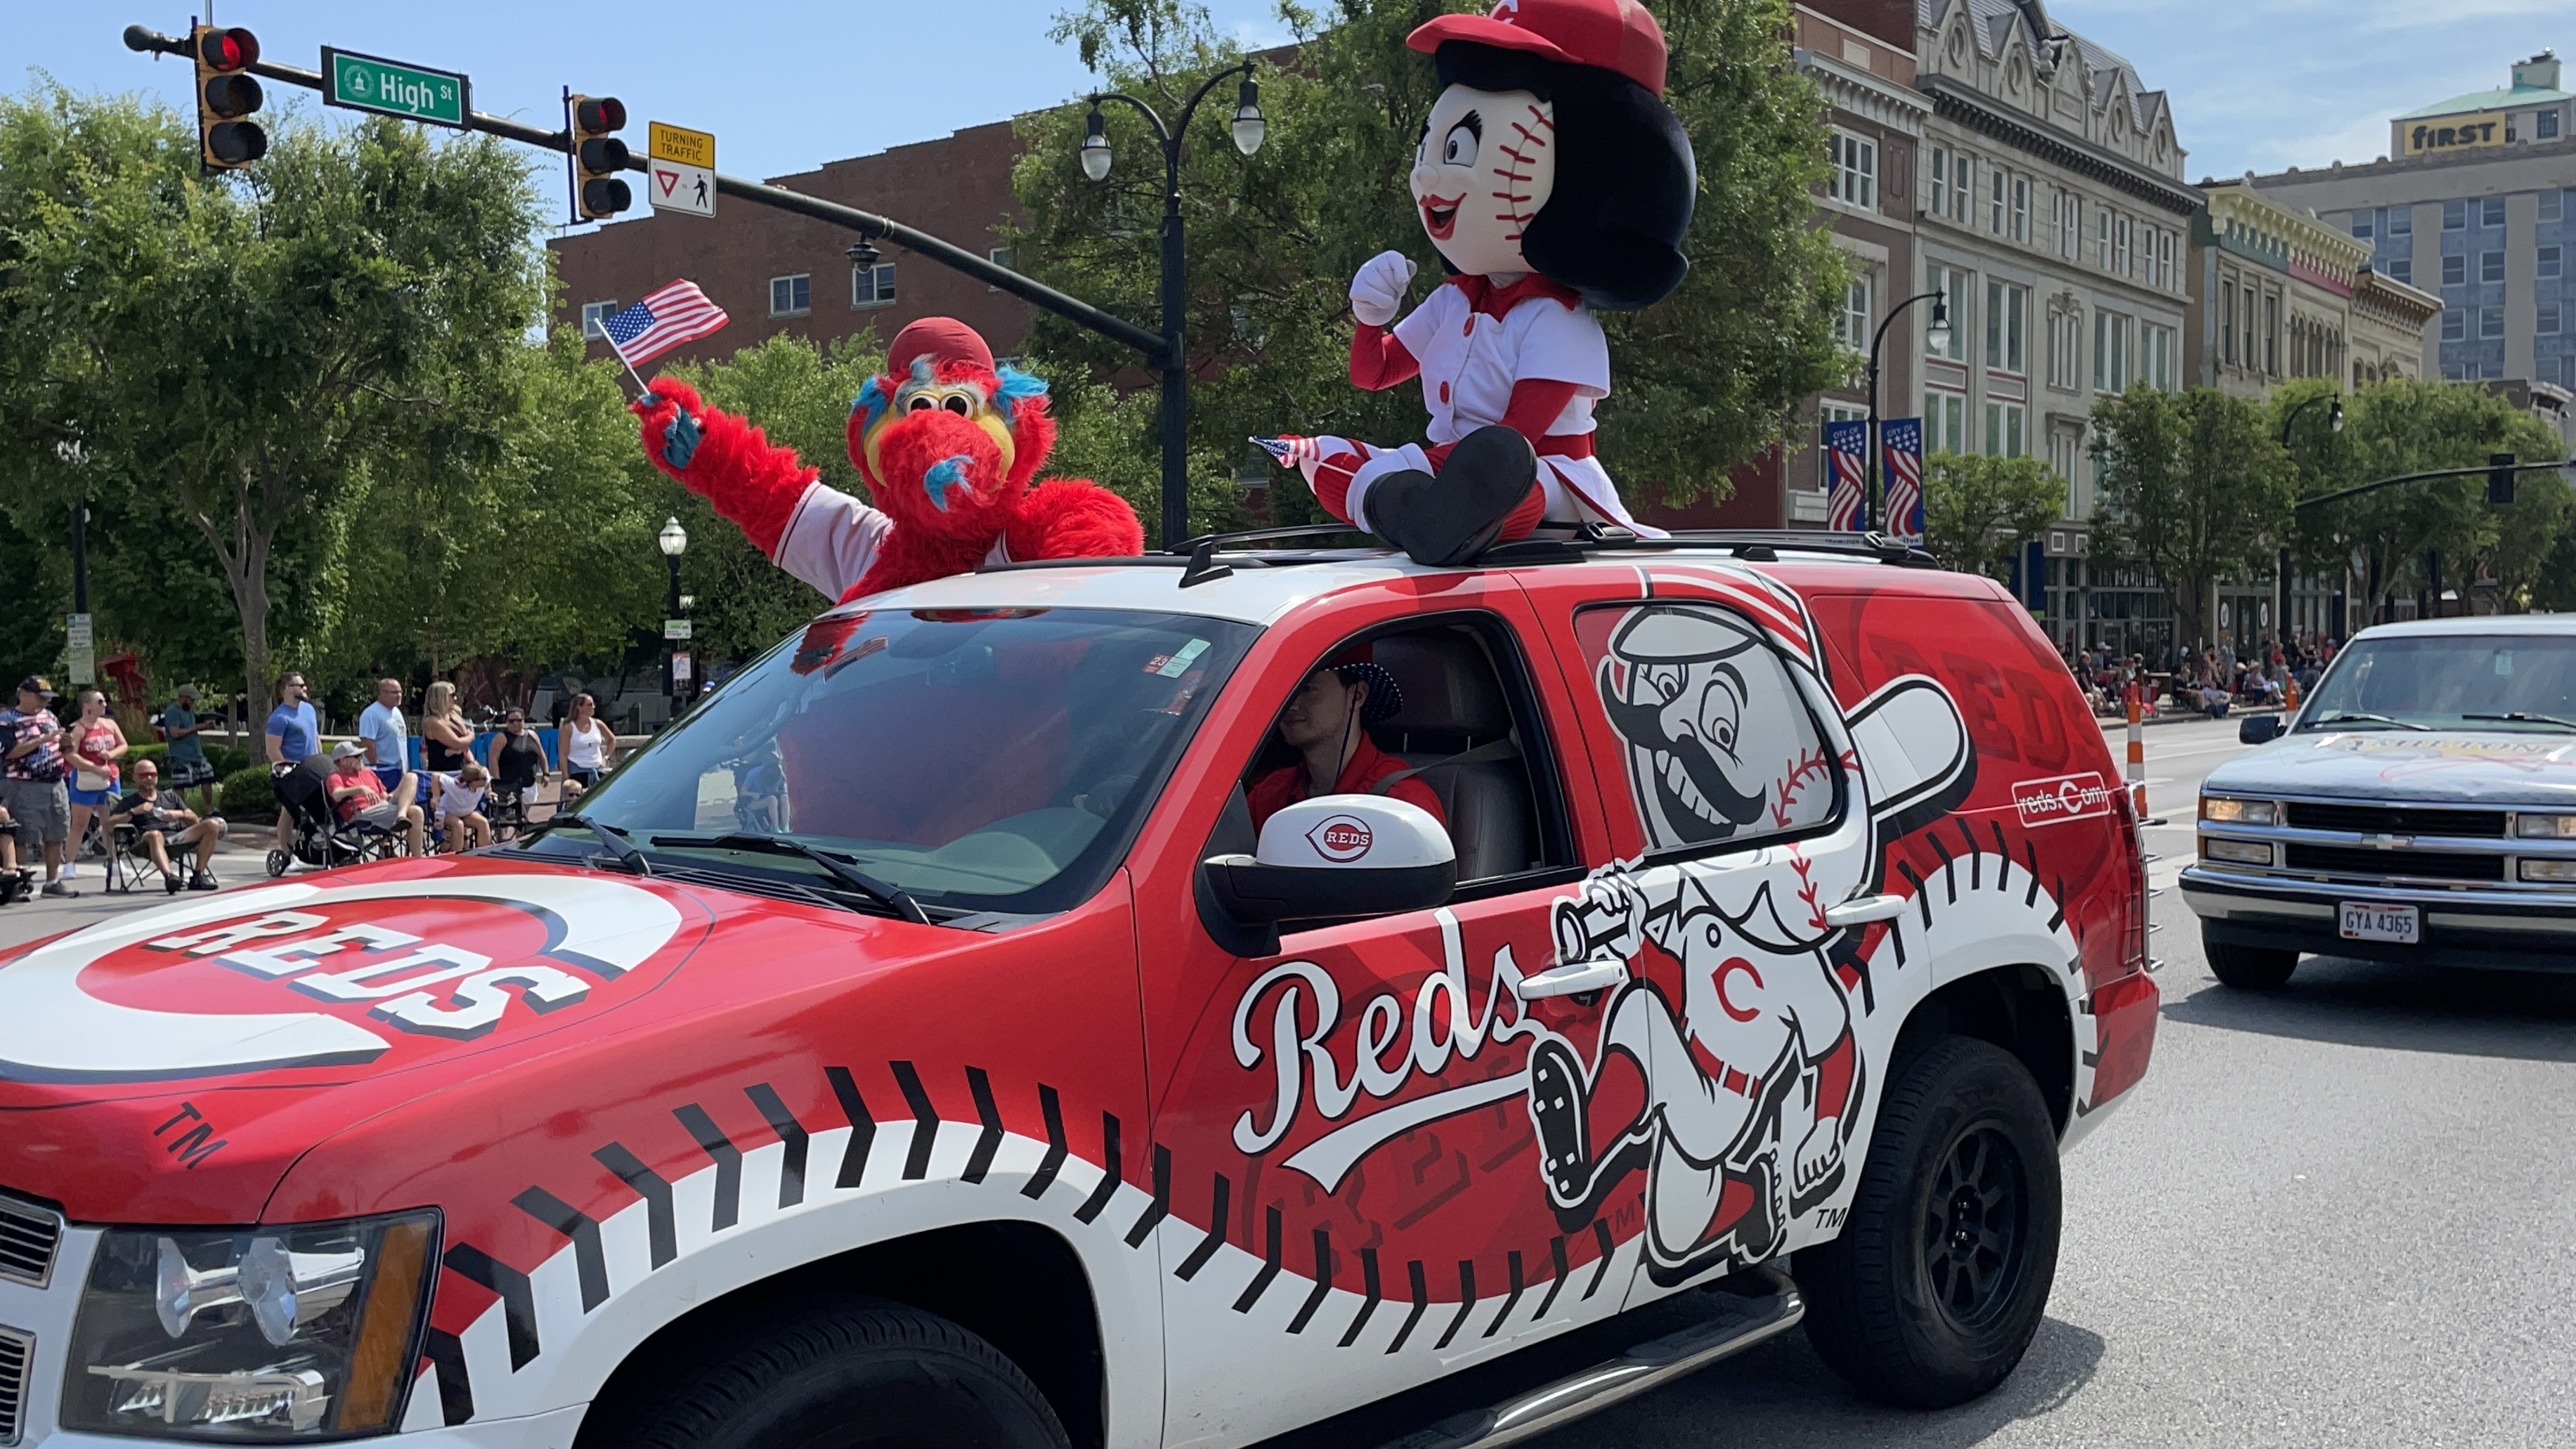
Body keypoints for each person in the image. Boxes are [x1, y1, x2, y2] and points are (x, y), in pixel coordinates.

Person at [1245, 648, 1447, 834]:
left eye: (1307, 688)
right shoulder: (1267, 795)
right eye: (1285, 689)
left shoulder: (1403, 804)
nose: (1290, 705)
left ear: (1357, 695)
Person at [1, 677, 76, 898]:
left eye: (47, 699)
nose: (43, 703)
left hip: (55, 781)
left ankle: (53, 882)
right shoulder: (7, 720)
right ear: (23, 695)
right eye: (39, 698)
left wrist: (65, 742)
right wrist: (42, 739)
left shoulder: (49, 716)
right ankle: (19, 883)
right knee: (23, 834)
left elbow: (60, 744)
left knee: (56, 832)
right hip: (23, 783)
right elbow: (8, 753)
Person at [111, 758, 228, 892]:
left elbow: (195, 820)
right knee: (155, 835)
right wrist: (134, 812)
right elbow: (108, 824)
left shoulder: (170, 798)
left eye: (153, 774)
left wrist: (177, 814)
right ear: (135, 778)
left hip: (176, 838)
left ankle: (198, 877)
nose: (149, 778)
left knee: (212, 825)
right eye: (143, 775)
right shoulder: (130, 801)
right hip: (145, 842)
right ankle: (169, 877)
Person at [63, 688, 129, 880]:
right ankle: (70, 863)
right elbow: (71, 755)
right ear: (87, 706)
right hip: (86, 780)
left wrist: (112, 755)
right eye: (100, 702)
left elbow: (123, 745)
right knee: (80, 823)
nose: (104, 705)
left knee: (110, 821)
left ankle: (114, 859)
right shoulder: (79, 729)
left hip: (110, 778)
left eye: (104, 701)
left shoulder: (110, 724)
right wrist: (94, 768)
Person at [326, 741, 426, 857]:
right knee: (416, 812)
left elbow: (384, 796)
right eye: (357, 756)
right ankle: (415, 854)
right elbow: (337, 795)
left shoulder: (367, 773)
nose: (361, 759)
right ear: (343, 760)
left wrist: (404, 795)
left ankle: (416, 859)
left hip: (382, 807)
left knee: (411, 777)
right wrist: (360, 789)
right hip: (362, 815)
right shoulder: (336, 777)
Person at [266, 671, 319, 852]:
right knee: (288, 811)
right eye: (300, 685)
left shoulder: (309, 709)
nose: (305, 689)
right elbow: (272, 749)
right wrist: (287, 773)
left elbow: (315, 737)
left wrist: (321, 760)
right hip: (294, 771)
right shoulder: (279, 718)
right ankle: (287, 852)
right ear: (287, 689)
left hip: (314, 769)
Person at [485, 708, 551, 830]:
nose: (515, 723)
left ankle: (518, 837)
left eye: (519, 720)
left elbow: (542, 755)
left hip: (529, 783)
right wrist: (498, 782)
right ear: (507, 722)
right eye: (511, 721)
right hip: (509, 785)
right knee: (507, 819)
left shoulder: (532, 736)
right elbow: (493, 760)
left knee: (523, 818)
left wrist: (546, 773)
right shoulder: (501, 738)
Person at [159, 684, 218, 815]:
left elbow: (190, 727)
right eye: (192, 699)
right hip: (180, 755)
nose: (193, 702)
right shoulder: (173, 711)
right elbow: (175, 733)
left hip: (196, 754)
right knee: (181, 784)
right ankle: (183, 812)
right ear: (184, 697)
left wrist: (203, 726)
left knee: (207, 777)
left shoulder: (189, 711)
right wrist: (196, 728)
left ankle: (209, 808)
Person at [356, 678, 410, 794]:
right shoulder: (371, 714)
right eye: (395, 692)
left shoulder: (396, 711)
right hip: (383, 771)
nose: (399, 695)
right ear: (383, 693)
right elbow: (367, 742)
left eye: (400, 692)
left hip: (399, 770)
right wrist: (377, 766)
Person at [559, 693, 614, 799]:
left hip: (597, 770)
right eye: (590, 704)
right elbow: (563, 755)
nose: (593, 707)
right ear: (580, 707)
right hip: (577, 771)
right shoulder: (569, 728)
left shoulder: (598, 724)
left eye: (594, 704)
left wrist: (606, 758)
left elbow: (612, 739)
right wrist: (566, 778)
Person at [430, 762, 493, 853]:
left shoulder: (485, 776)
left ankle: (485, 856)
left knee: (483, 823)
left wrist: (488, 791)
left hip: (467, 812)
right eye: (483, 779)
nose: (486, 779)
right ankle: (457, 858)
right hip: (447, 811)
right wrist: (436, 797)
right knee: (458, 825)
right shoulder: (455, 786)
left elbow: (487, 778)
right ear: (473, 781)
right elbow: (435, 776)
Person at [420, 680, 474, 776]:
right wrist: (471, 735)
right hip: (443, 774)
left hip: (460, 770)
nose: (455, 698)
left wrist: (472, 763)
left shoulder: (453, 716)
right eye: (452, 695)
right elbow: (457, 743)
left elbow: (464, 747)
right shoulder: (432, 722)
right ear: (440, 698)